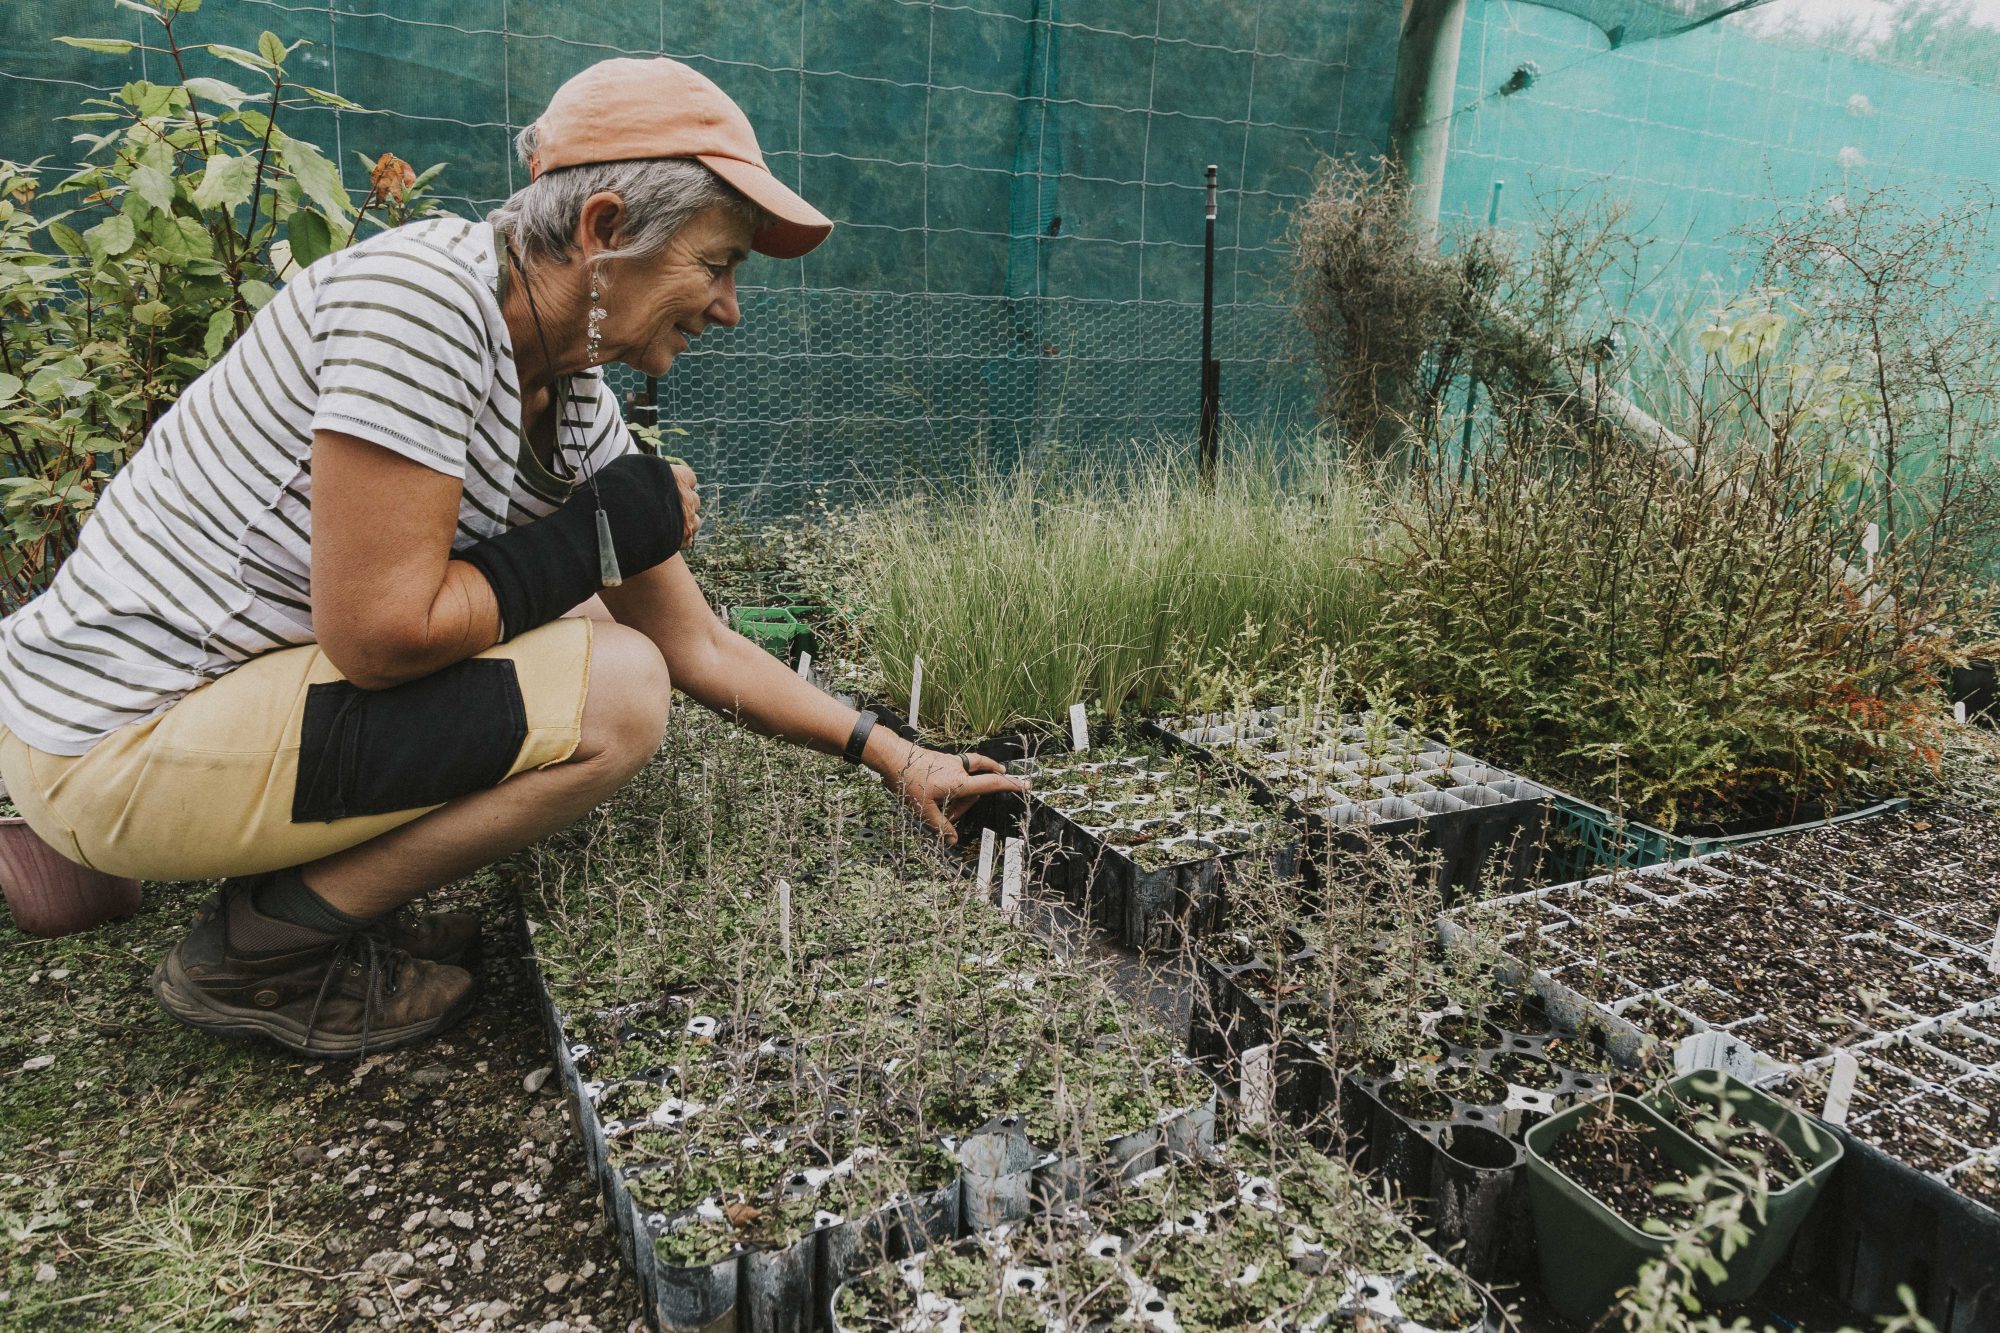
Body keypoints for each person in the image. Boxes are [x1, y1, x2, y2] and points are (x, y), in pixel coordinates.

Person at [0, 58, 1023, 1058]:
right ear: (605, 230)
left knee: (600, 632)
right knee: (613, 688)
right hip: (118, 737)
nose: (726, 308)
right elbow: (380, 637)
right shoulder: (423, 307)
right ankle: (265, 945)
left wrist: (894, 754)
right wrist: (587, 538)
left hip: (194, 704)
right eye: (714, 265)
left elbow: (695, 642)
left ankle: (261, 888)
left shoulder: (571, 398)